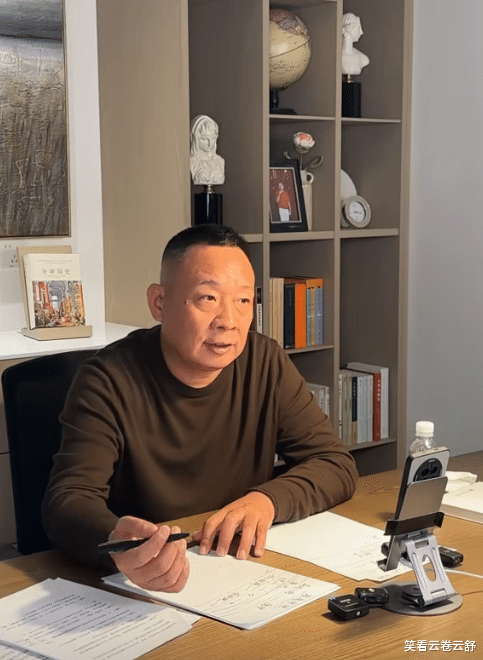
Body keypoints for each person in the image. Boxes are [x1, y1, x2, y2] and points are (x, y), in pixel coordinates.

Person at [42, 224, 358, 594]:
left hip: (237, 569)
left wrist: (267, 501)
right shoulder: (107, 379)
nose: (229, 321)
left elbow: (334, 463)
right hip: (145, 580)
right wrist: (116, 539)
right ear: (159, 302)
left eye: (243, 301)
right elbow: (68, 499)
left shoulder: (265, 362)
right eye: (208, 298)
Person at [189, 115, 225, 186]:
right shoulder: (192, 162)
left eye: (212, 138)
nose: (209, 144)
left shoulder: (220, 161)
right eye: (204, 139)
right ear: (194, 138)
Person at [342, 13, 370, 77]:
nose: (361, 32)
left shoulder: (363, 58)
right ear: (349, 29)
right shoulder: (334, 57)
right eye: (358, 28)